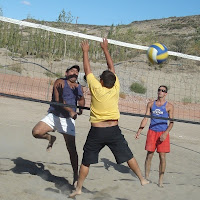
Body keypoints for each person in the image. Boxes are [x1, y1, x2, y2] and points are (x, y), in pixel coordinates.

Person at [69, 39, 149, 198]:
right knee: (129, 155)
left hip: (97, 132)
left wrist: (85, 51)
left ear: (101, 81)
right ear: (113, 82)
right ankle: (142, 178)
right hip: (114, 131)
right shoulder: (116, 87)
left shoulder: (96, 88)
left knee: (86, 161)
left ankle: (78, 188)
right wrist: (105, 49)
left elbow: (87, 69)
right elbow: (111, 68)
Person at [32, 65, 85, 186]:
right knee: (36, 132)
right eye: (72, 71)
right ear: (66, 73)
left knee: (72, 149)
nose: (74, 73)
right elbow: (58, 101)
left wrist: (81, 109)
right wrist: (71, 111)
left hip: (67, 120)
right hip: (55, 115)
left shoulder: (78, 87)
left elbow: (81, 99)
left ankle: (75, 176)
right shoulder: (60, 82)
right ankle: (50, 138)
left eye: (77, 72)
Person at [135, 85, 174, 187]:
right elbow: (146, 118)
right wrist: (139, 130)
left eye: (163, 90)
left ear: (166, 93)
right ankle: (146, 177)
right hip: (152, 132)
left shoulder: (169, 106)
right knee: (149, 155)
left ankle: (160, 180)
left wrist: (165, 133)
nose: (160, 92)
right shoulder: (151, 104)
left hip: (163, 133)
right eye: (159, 90)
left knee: (162, 157)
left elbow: (172, 122)